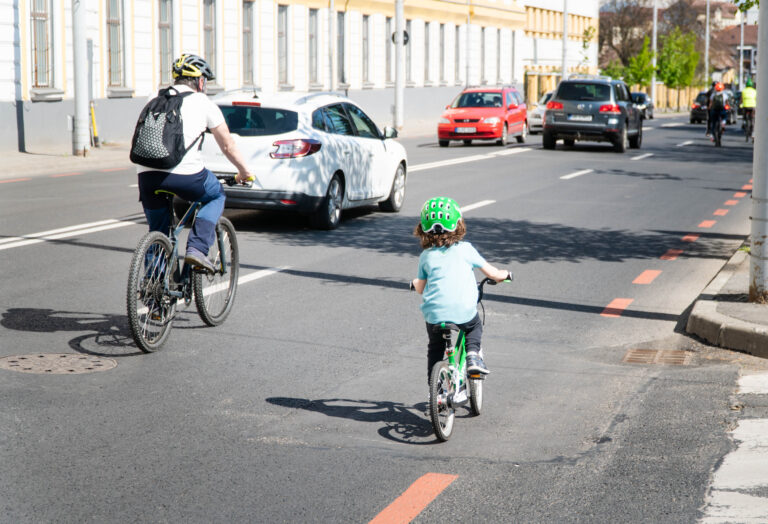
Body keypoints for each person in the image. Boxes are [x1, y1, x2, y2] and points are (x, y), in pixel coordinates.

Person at [133, 53, 253, 272]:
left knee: (157, 231)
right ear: (200, 81)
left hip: (147, 175)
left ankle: (154, 292)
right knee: (216, 195)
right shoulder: (204, 103)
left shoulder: (154, 98)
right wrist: (244, 172)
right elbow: (227, 146)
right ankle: (197, 250)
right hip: (186, 176)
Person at [411, 197, 510, 382]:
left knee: (435, 348)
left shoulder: (426, 256)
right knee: (474, 326)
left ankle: (435, 390)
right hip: (463, 311)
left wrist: (415, 282)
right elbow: (493, 274)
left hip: (434, 316)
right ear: (458, 224)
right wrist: (504, 274)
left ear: (422, 229)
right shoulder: (466, 249)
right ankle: (473, 356)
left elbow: (420, 288)